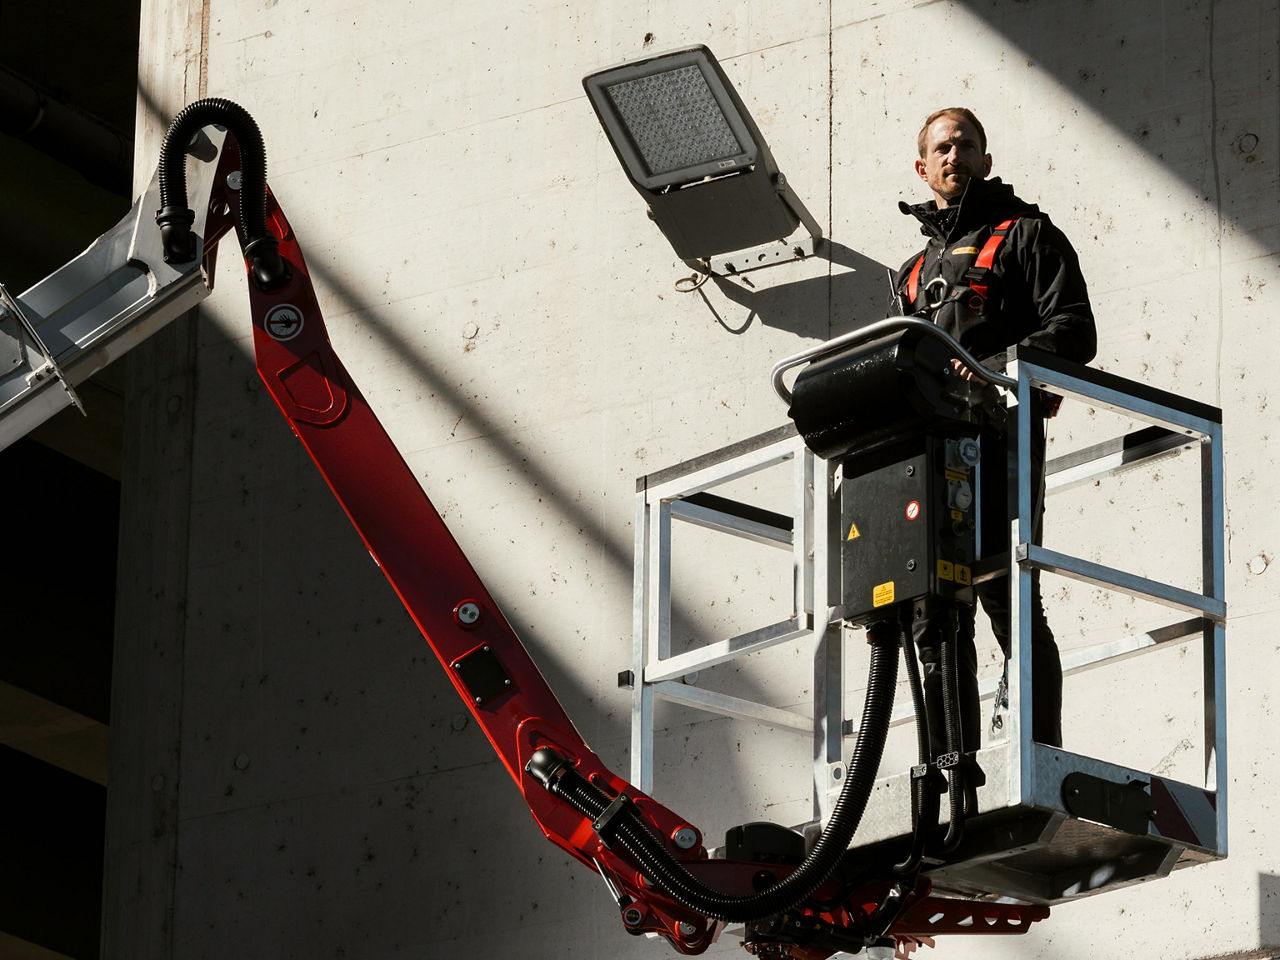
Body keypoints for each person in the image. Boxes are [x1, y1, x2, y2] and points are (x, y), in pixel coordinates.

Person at [890, 107, 1097, 754]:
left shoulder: (1026, 236)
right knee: (934, 611)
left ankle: (1038, 754)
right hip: (929, 456)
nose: (955, 156)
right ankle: (954, 775)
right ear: (923, 169)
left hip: (1000, 441)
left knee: (1006, 592)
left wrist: (995, 370)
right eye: (942, 148)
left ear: (985, 158)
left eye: (967, 145)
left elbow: (1074, 330)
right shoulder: (910, 276)